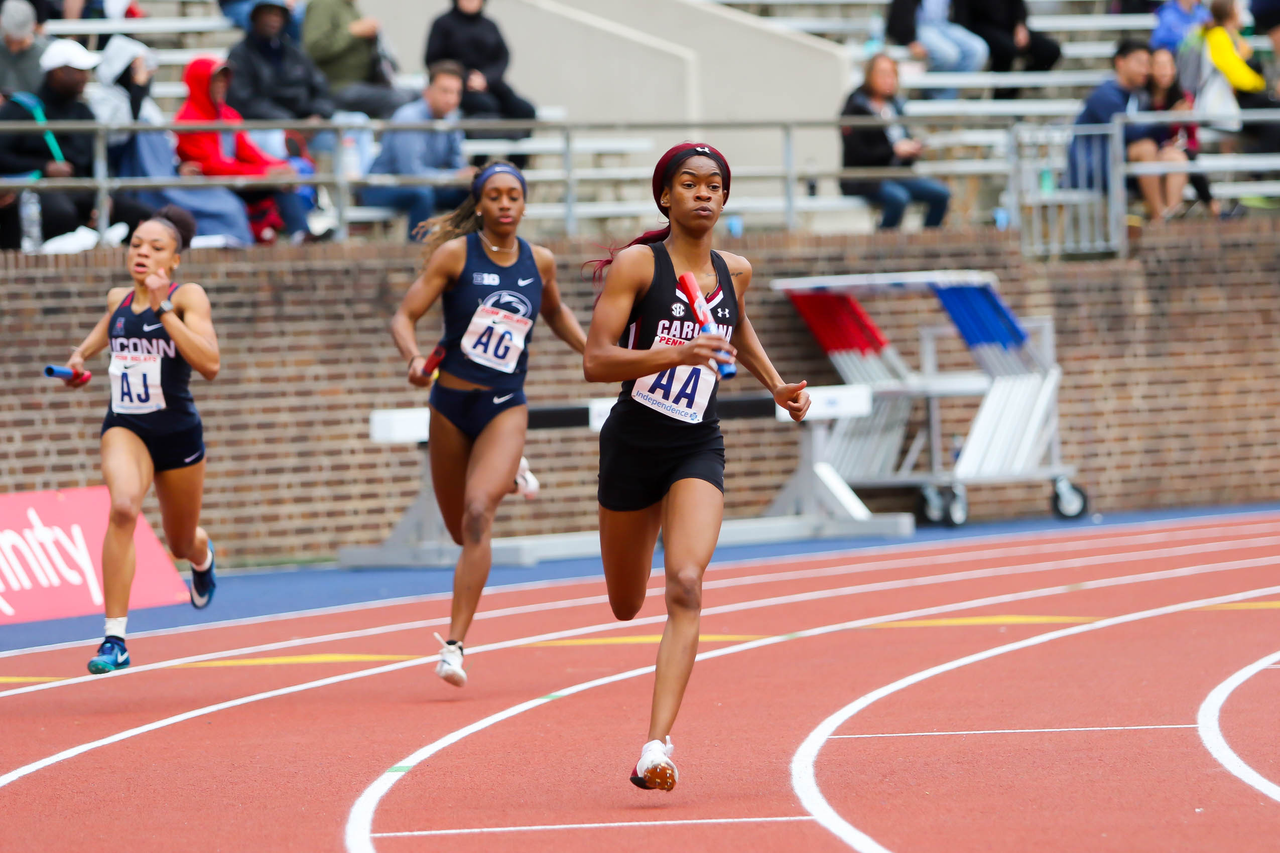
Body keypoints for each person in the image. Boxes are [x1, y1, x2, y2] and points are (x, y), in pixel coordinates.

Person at [583, 143, 811, 790]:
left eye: (715, 185)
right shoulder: (637, 266)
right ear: (666, 196)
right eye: (689, 184)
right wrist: (672, 355)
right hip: (631, 445)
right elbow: (596, 360)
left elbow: (736, 332)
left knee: (685, 581)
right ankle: (639, 541)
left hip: (694, 443)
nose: (704, 194)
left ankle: (656, 745)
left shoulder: (734, 269)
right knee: (627, 604)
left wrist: (775, 385)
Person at [389, 161, 587, 689]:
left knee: (479, 514)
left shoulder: (539, 261)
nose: (504, 203)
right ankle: (510, 469)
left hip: (504, 404)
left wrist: (595, 350)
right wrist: (412, 357)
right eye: (494, 195)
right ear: (479, 204)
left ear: (524, 204)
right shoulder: (456, 255)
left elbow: (557, 312)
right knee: (460, 530)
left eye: (513, 195)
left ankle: (453, 645)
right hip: (450, 406)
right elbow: (403, 316)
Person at [59, 205, 220, 674]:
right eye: (136, 245)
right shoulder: (117, 302)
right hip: (126, 427)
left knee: (179, 542)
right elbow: (90, 347)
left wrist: (163, 307)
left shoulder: (187, 297)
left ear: (174, 261)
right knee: (124, 506)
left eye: (156, 248)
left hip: (177, 434)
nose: (143, 253)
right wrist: (76, 364)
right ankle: (115, 639)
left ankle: (201, 552)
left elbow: (209, 365)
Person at [88, 37, 254, 246]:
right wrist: (137, 88)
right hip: (141, 185)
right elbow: (120, 137)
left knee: (227, 202)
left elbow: (163, 151)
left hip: (167, 179)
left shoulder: (148, 106)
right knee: (223, 209)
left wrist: (178, 168)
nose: (146, 75)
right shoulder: (104, 101)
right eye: (137, 68)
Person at [0, 39, 152, 250]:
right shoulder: (21, 110)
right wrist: (44, 167)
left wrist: (103, 195)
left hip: (84, 191)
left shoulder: (84, 112)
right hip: (41, 194)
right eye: (79, 71)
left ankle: (114, 265)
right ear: (59, 72)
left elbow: (98, 160)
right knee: (61, 215)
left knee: (143, 216)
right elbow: (2, 156)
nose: (86, 77)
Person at [174, 56, 314, 243]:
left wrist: (281, 167)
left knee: (285, 179)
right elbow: (212, 168)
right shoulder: (187, 121)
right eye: (215, 79)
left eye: (224, 79)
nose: (221, 85)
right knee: (273, 182)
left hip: (235, 179)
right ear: (201, 82)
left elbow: (248, 152)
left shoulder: (228, 114)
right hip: (209, 187)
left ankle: (300, 235)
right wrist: (265, 173)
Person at [1070, 40, 1187, 219]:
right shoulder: (1104, 94)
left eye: (1148, 64)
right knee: (1146, 149)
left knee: (1175, 156)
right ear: (1120, 62)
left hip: (1124, 161)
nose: (1146, 70)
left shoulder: (1140, 95)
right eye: (1140, 62)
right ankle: (1160, 217)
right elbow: (1130, 132)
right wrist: (1168, 118)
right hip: (1095, 166)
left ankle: (1171, 215)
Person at [362, 60, 473, 240]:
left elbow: (457, 165)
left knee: (474, 194)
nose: (451, 98)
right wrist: (454, 177)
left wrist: (468, 178)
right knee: (422, 195)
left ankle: (468, 256)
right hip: (381, 186)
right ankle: (418, 259)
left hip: (426, 185)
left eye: (456, 92)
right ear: (427, 91)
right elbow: (411, 174)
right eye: (445, 91)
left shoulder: (452, 119)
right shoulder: (408, 118)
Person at [839, 54, 950, 230]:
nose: (888, 79)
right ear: (869, 75)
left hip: (897, 174)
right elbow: (858, 153)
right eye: (883, 73)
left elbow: (902, 144)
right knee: (898, 198)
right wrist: (893, 150)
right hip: (865, 178)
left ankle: (926, 249)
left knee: (941, 194)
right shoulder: (855, 106)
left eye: (892, 74)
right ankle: (883, 251)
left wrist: (912, 149)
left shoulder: (896, 105)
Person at [424, 0, 536, 166]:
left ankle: (515, 168)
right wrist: (465, 77)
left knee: (525, 110)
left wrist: (486, 78)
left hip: (491, 84)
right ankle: (479, 166)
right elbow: (433, 60)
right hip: (460, 88)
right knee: (487, 107)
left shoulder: (490, 25)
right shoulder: (443, 24)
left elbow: (503, 57)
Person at [302, 0, 411, 118]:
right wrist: (352, 32)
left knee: (416, 95)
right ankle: (388, 136)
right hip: (337, 86)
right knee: (398, 99)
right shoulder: (324, 4)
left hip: (363, 83)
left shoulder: (348, 6)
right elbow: (315, 48)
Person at [1147, 46, 1220, 216]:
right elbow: (1146, 133)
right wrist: (1171, 119)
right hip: (1153, 151)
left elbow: (1193, 138)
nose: (1164, 71)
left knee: (1184, 157)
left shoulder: (1183, 97)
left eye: (1168, 65)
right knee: (1182, 159)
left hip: (1173, 152)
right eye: (1159, 65)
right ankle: (1212, 206)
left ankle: (1174, 212)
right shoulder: (1143, 97)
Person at [885, 0, 988, 100]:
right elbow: (899, 15)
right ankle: (934, 96)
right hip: (919, 26)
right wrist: (909, 40)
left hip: (945, 25)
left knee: (978, 50)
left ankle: (947, 96)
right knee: (948, 55)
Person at [957, 0, 1060, 98]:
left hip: (1010, 29)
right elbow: (963, 18)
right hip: (981, 30)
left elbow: (1018, 6)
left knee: (1050, 50)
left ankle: (1017, 88)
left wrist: (1020, 25)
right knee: (1006, 48)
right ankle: (1000, 94)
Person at [0, 0, 46, 100]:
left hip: (32, 111)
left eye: (19, 40)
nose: (14, 46)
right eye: (10, 39)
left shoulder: (45, 54)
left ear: (34, 26)